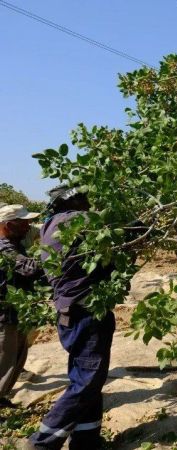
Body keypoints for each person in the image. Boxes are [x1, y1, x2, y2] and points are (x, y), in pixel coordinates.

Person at [26, 186, 116, 450]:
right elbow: (113, 223)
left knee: (87, 378)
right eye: (83, 198)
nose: (88, 202)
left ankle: (86, 440)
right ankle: (41, 443)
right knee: (87, 381)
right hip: (85, 313)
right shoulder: (75, 221)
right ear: (71, 201)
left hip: (72, 314)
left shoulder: (50, 225)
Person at [0, 204, 42, 407]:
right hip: (5, 315)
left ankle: (3, 397)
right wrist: (55, 255)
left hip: (18, 313)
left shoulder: (16, 245)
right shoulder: (4, 248)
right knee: (4, 361)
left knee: (17, 358)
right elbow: (29, 269)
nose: (28, 226)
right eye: (24, 222)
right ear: (8, 225)